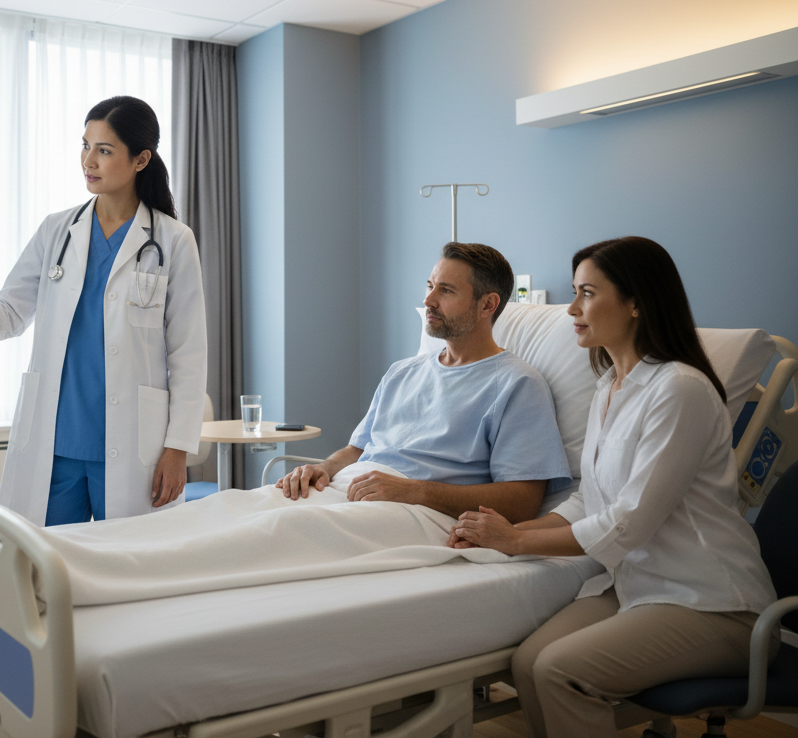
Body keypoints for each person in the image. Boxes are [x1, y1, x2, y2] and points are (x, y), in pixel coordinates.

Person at [447, 236, 778, 738]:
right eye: (574, 293)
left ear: (636, 303)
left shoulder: (680, 389)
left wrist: (515, 542)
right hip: (634, 587)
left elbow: (629, 521)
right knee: (529, 663)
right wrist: (501, 533)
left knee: (558, 671)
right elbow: (590, 499)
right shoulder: (609, 388)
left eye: (587, 294)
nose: (572, 309)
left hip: (712, 603)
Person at [0, 96, 207, 527]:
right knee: (44, 562)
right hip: (55, 445)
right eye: (85, 145)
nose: (88, 160)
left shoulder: (173, 240)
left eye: (104, 150)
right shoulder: (56, 231)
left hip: (134, 446)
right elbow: (8, 316)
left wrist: (177, 448)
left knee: (130, 561)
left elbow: (188, 354)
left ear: (141, 160)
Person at [278, 242, 572, 522]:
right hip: (346, 491)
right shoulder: (401, 372)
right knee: (255, 510)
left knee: (277, 533)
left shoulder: (517, 384)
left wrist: (415, 491)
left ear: (487, 305)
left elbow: (522, 502)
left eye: (446, 290)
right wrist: (323, 468)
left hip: (414, 512)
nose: (428, 300)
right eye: (430, 286)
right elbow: (357, 449)